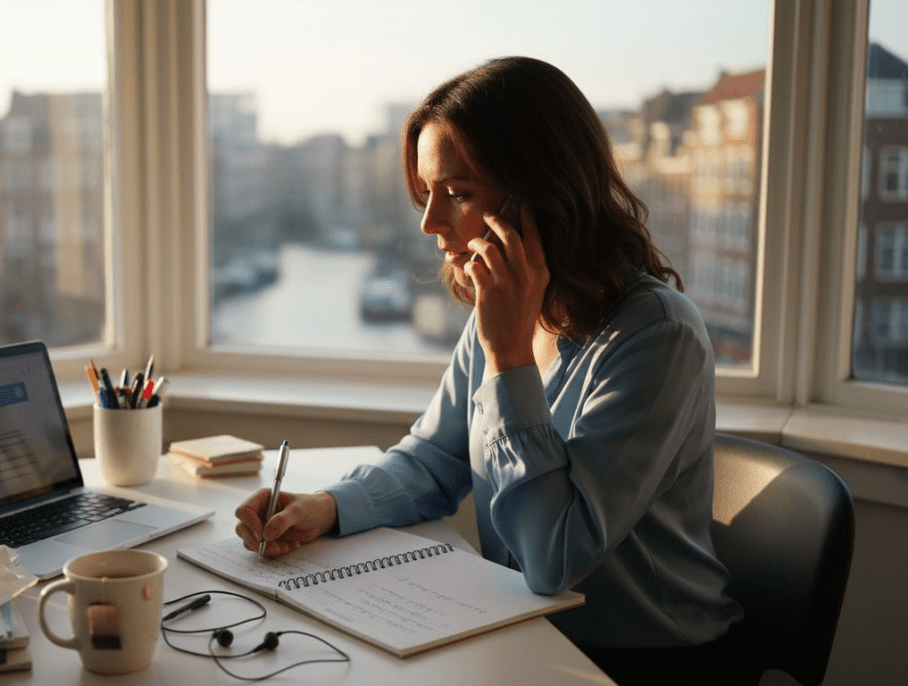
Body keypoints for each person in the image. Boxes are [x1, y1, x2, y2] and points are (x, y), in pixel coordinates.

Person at [234, 56, 744, 683]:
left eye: (458, 194)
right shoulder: (505, 309)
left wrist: (508, 359)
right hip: (523, 629)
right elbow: (433, 459)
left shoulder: (658, 335)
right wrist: (326, 506)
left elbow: (552, 560)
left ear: (541, 194)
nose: (430, 223)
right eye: (427, 194)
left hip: (642, 662)